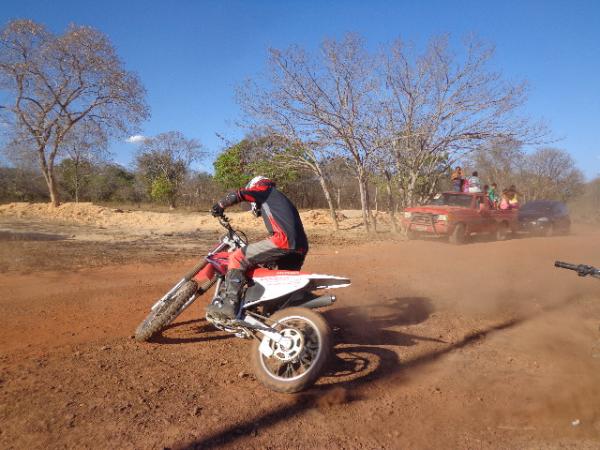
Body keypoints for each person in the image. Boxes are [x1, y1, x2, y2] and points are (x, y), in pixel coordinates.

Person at [207, 176, 309, 319]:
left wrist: (220, 205)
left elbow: (240, 194)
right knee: (278, 287)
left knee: (238, 257)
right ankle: (269, 315)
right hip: (300, 247)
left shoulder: (265, 189)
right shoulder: (281, 200)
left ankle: (230, 305)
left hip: (283, 240)